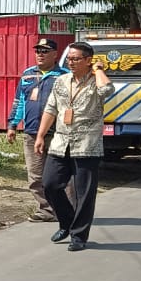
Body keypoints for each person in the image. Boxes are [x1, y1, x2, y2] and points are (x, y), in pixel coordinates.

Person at [35, 42, 114, 252]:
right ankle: (66, 222)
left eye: (76, 59)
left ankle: (79, 236)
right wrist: (41, 135)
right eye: (69, 58)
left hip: (87, 145)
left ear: (88, 60)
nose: (70, 62)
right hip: (61, 142)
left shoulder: (95, 81)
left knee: (84, 193)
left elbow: (107, 89)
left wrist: (98, 69)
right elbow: (51, 108)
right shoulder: (61, 81)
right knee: (50, 184)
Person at [7, 37, 68, 221]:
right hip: (32, 132)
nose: (40, 55)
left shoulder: (64, 76)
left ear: (55, 54)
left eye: (45, 51)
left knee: (58, 175)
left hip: (57, 134)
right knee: (35, 176)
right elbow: (19, 101)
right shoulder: (27, 75)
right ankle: (46, 210)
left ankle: (65, 210)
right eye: (38, 51)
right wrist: (12, 125)